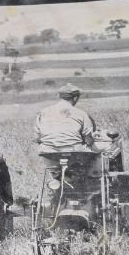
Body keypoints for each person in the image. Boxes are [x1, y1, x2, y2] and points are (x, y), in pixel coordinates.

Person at [33, 84, 102, 218]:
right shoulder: (81, 114)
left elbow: (37, 138)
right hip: (75, 154)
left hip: (50, 155)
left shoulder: (43, 113)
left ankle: (59, 189)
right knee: (103, 151)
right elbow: (88, 139)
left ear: (58, 96)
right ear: (75, 98)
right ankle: (95, 186)